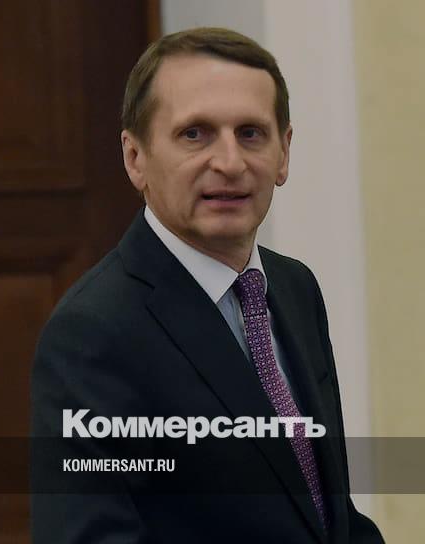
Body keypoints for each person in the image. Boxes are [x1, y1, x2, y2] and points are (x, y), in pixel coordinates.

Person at [30, 27, 384, 543]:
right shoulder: (93, 334)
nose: (230, 163)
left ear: (284, 153)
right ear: (135, 157)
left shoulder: (294, 289)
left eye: (251, 133)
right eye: (195, 134)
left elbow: (330, 517)